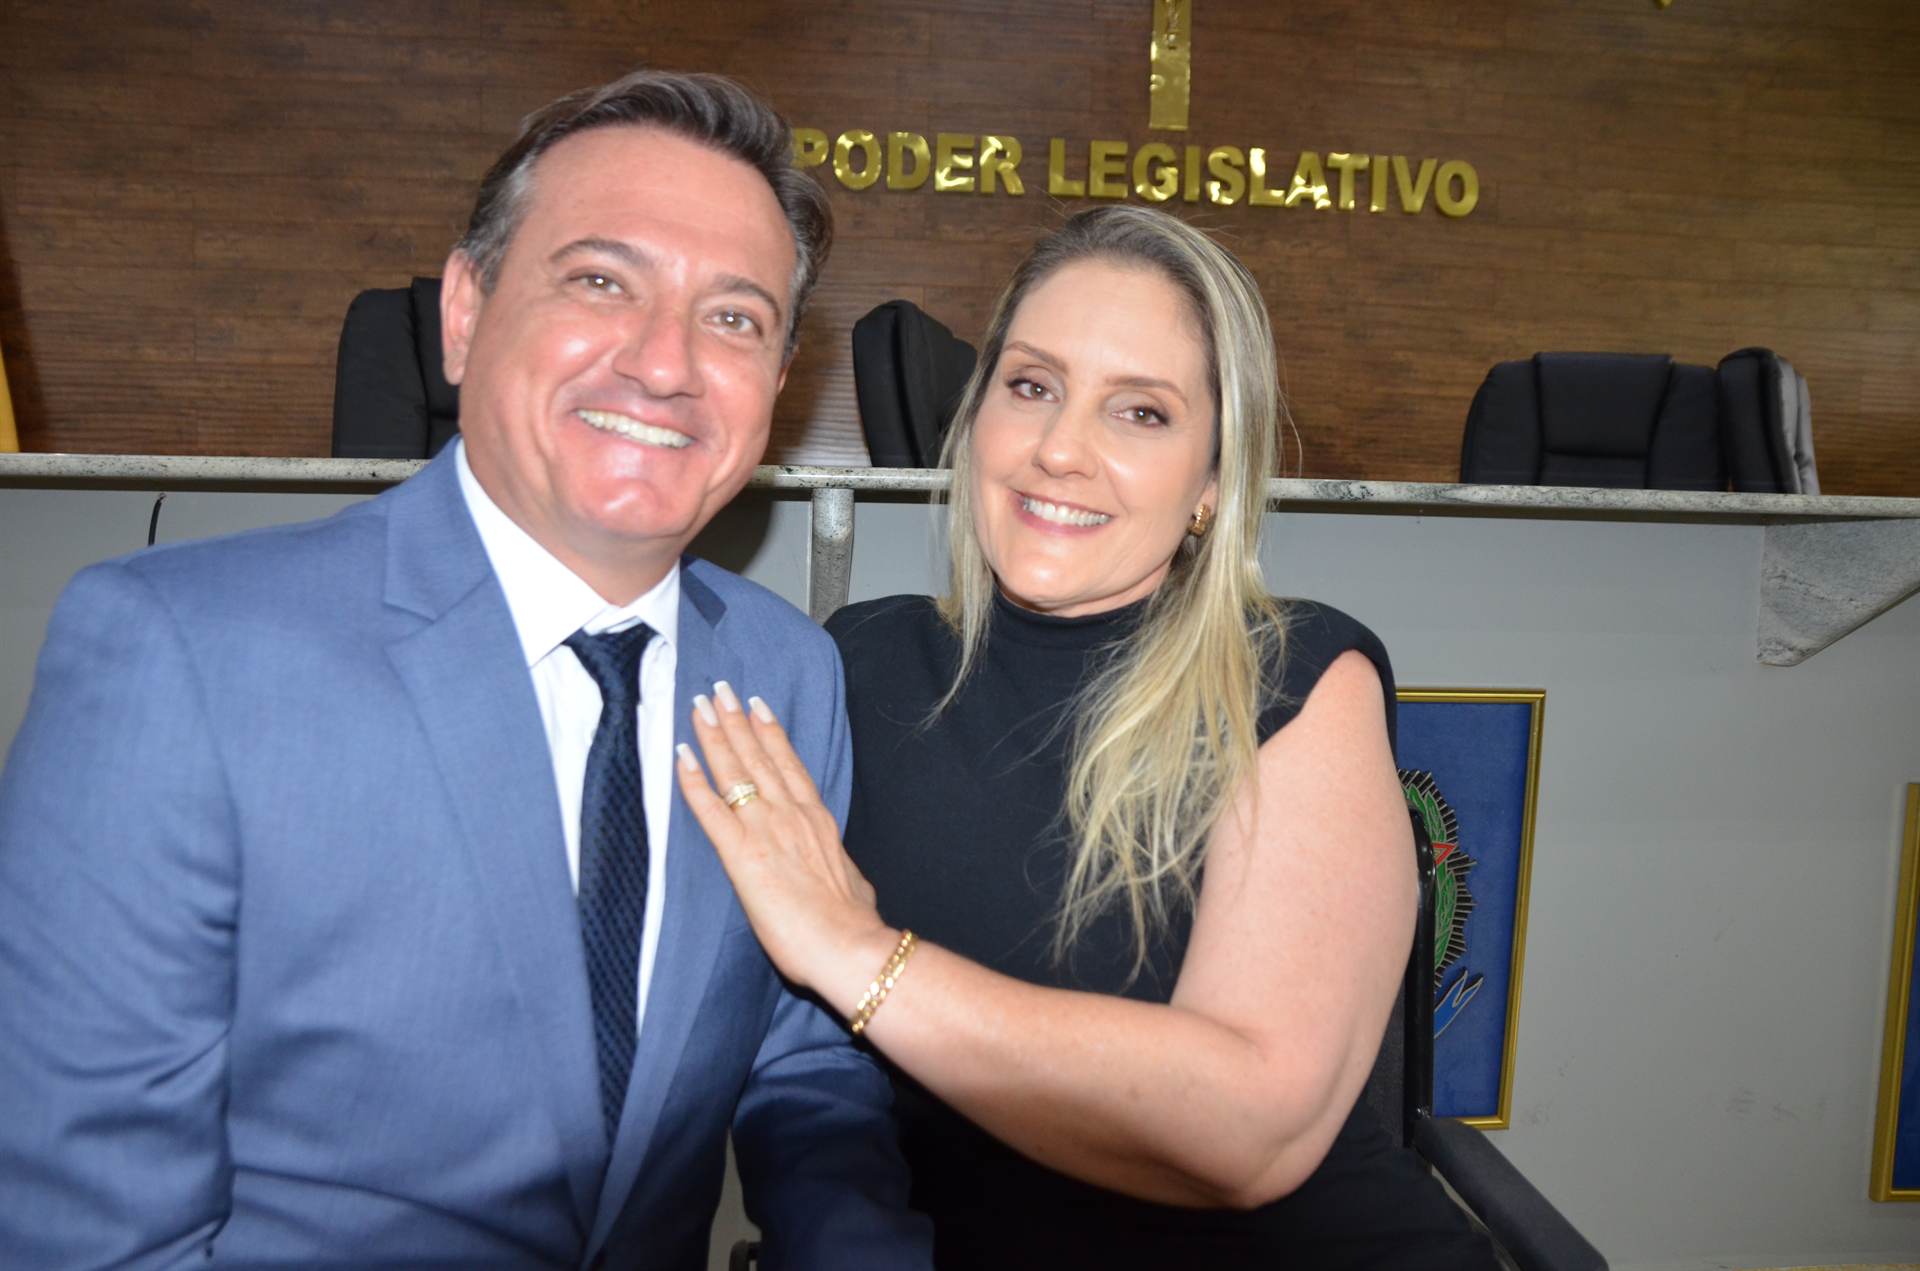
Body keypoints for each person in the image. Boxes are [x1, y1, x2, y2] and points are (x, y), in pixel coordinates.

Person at [0, 70, 930, 1269]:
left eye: (735, 318)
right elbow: (87, 1223)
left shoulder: (786, 670)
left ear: (778, 383)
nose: (666, 363)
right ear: (464, 310)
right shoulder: (179, 653)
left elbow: (798, 1064)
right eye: (601, 281)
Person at [674, 205, 1499, 1267]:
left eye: (1141, 412)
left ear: (1212, 483)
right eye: (1032, 386)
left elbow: (1248, 1127)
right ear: (977, 416)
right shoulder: (853, 663)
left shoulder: (1295, 676)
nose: (1060, 449)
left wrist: (860, 955)